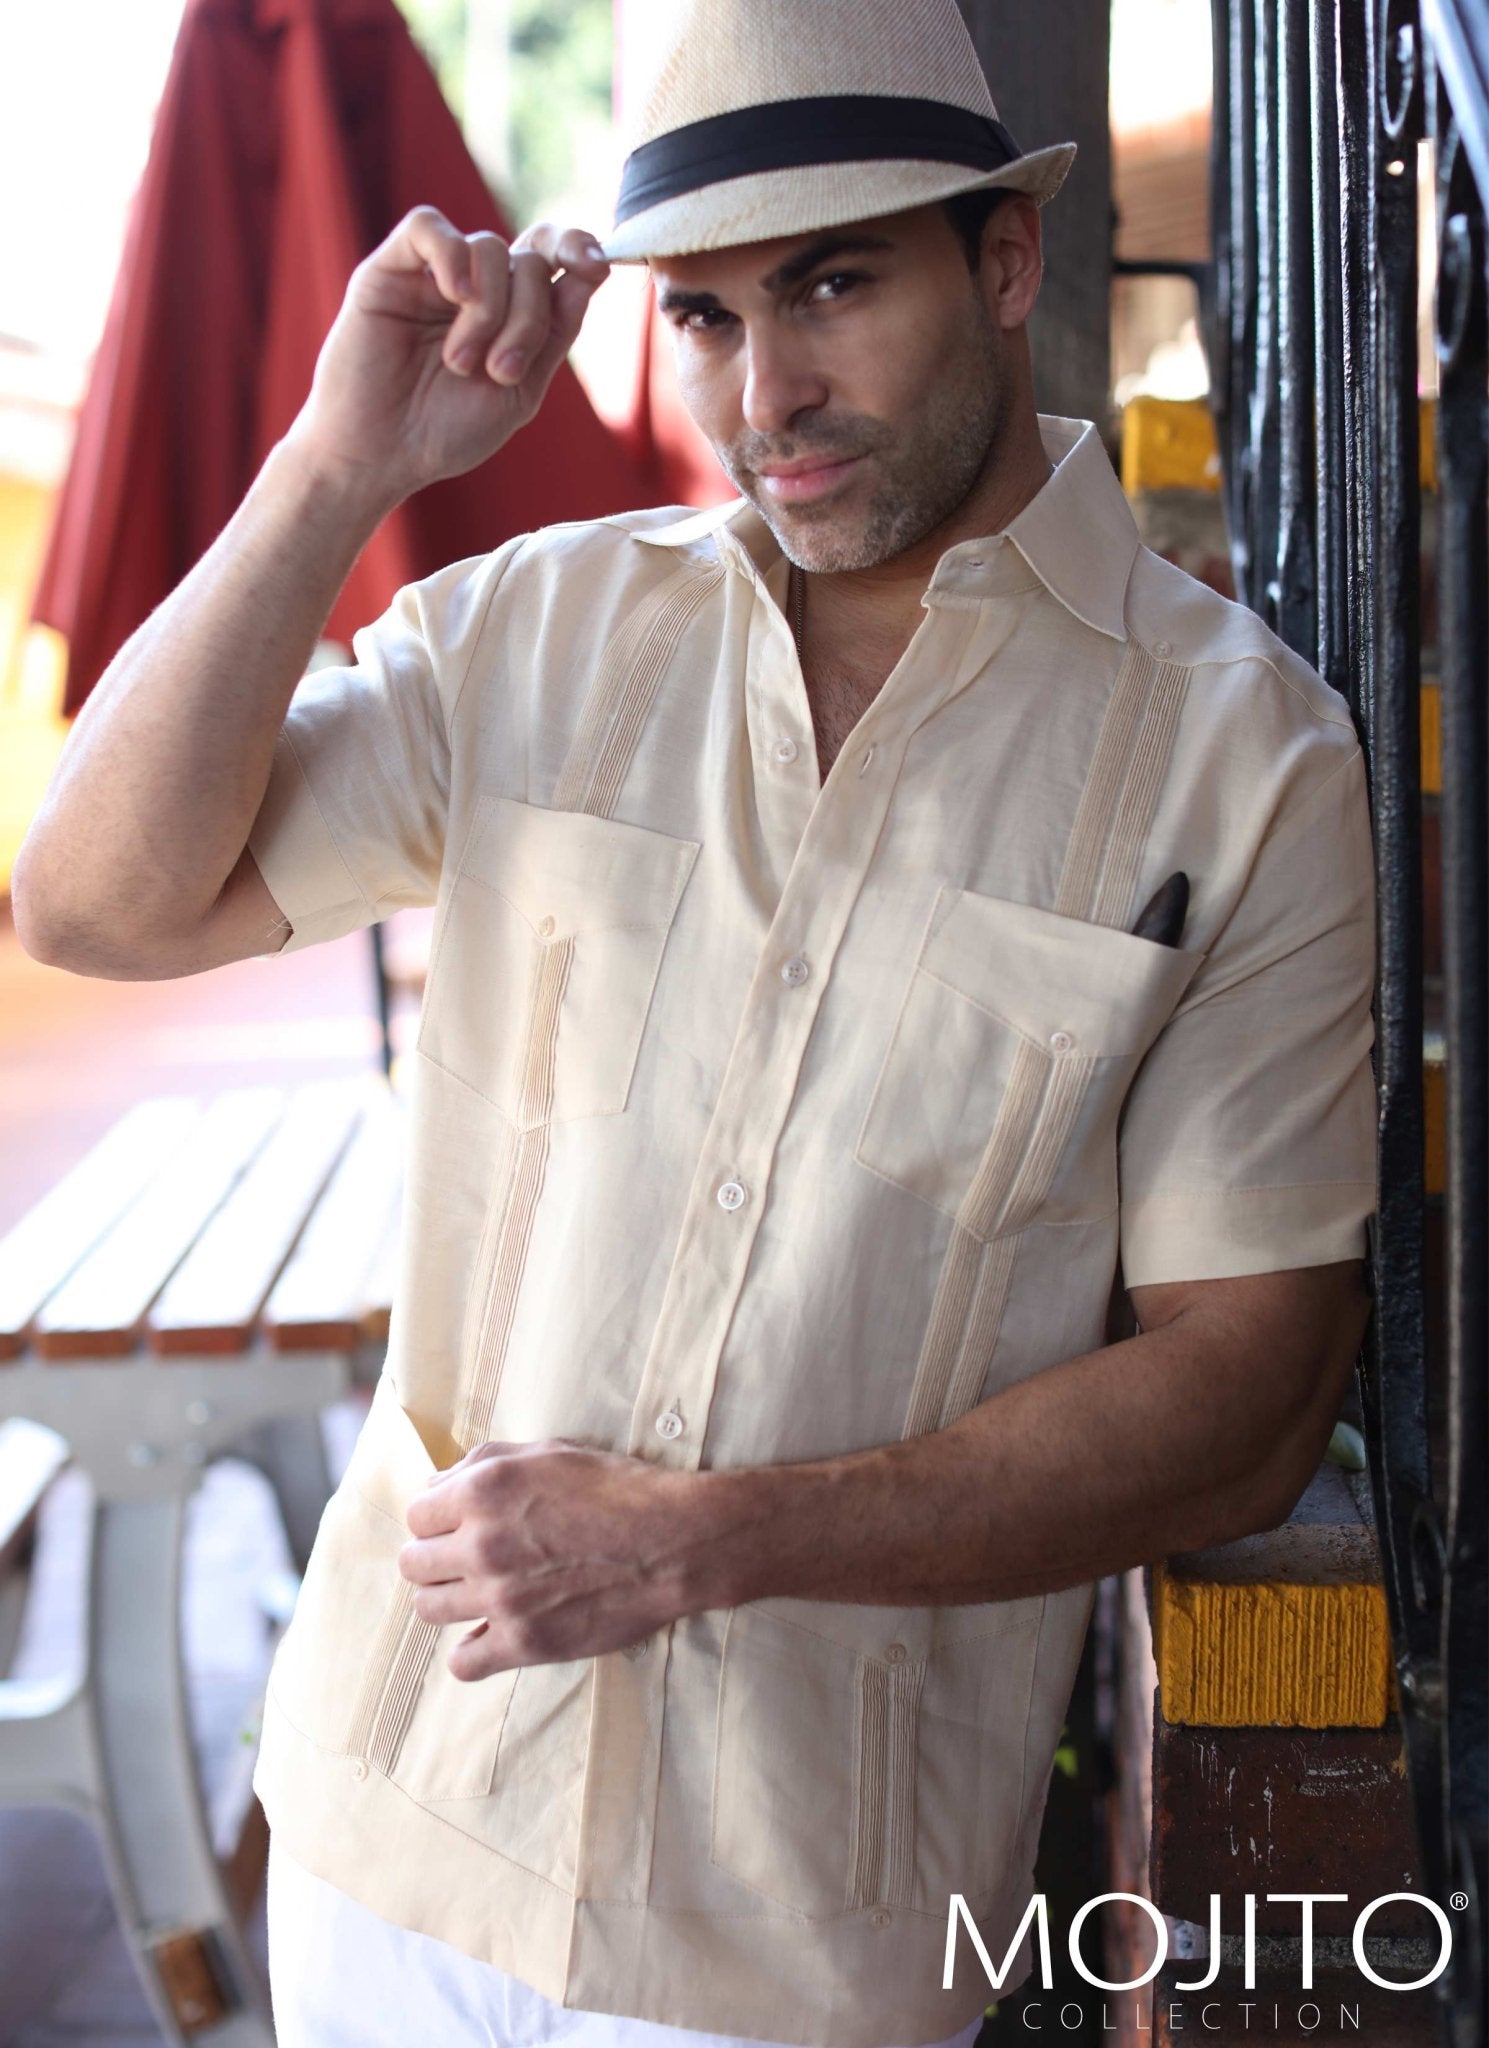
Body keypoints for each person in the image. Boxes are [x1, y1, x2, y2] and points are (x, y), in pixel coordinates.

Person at [12, 1, 1377, 2043]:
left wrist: (708, 1544)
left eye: (833, 282)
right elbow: (95, 901)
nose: (771, 391)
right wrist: (335, 463)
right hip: (392, 1837)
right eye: (708, 318)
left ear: (1001, 260)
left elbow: (1255, 1388)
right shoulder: (534, 632)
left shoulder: (1238, 762)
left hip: (807, 1937)